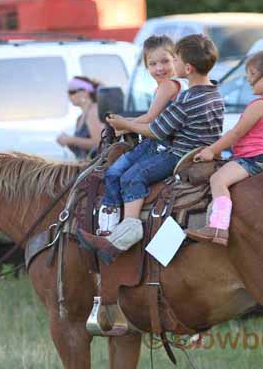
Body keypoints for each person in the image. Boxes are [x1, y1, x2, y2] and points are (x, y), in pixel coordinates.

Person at [83, 34, 225, 263]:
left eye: (174, 60)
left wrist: (124, 125)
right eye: (153, 63)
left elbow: (157, 130)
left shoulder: (185, 99)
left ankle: (129, 228)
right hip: (206, 150)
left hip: (180, 153)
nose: (166, 67)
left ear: (187, 68)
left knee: (132, 175)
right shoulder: (215, 92)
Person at [186, 49, 263, 246]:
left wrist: (212, 150)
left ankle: (218, 227)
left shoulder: (259, 105)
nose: (248, 80)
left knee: (217, 180)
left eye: (252, 75)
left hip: (251, 159)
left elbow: (236, 133)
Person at [97, 35, 188, 233]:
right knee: (112, 171)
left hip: (165, 147)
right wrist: (124, 124)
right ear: (146, 67)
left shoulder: (169, 85)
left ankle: (123, 225)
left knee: (127, 175)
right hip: (152, 144)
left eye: (165, 61)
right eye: (152, 64)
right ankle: (111, 214)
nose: (159, 68)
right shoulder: (161, 88)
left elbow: (150, 118)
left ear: (176, 60)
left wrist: (124, 125)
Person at [56, 76, 103, 160]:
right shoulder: (80, 118)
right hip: (86, 168)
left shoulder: (93, 111)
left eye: (72, 92)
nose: (69, 96)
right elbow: (81, 150)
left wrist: (71, 140)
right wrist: (68, 141)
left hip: (97, 169)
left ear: (85, 92)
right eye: (68, 92)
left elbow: (98, 143)